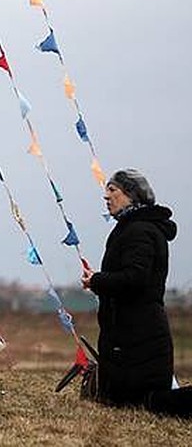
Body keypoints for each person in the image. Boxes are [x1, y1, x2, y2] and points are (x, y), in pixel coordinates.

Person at [81, 169, 183, 411]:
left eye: (113, 190)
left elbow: (136, 278)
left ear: (132, 195)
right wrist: (100, 282)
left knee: (143, 403)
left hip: (139, 337)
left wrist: (97, 280)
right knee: (119, 400)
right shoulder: (133, 228)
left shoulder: (140, 231)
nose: (106, 196)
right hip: (129, 337)